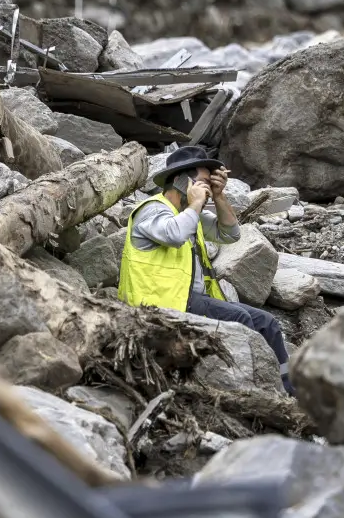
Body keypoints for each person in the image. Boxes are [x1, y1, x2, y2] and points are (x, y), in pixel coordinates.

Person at [117, 145, 297, 396]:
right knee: (239, 320)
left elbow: (231, 233)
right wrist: (197, 203)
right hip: (160, 304)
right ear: (181, 181)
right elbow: (174, 234)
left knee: (266, 323)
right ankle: (248, 391)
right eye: (203, 183)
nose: (207, 190)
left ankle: (289, 391)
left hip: (191, 299)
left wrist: (219, 196)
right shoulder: (152, 210)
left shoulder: (191, 215)